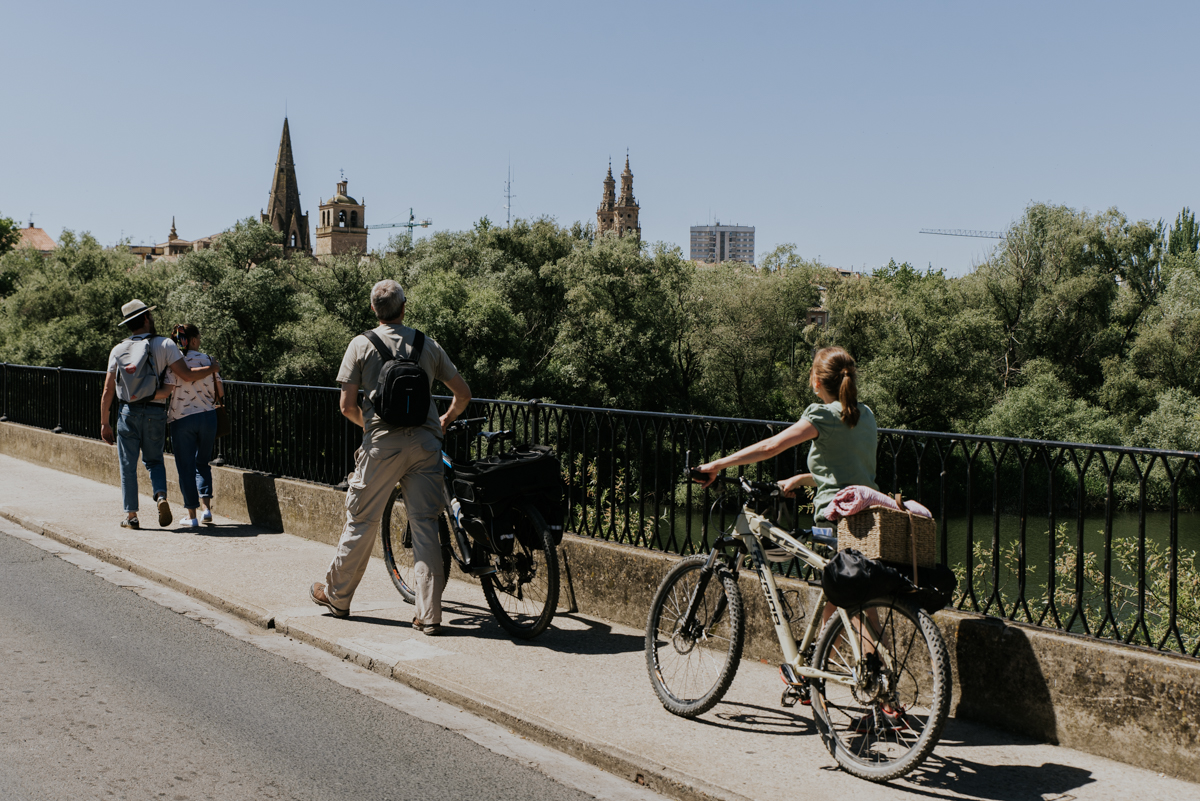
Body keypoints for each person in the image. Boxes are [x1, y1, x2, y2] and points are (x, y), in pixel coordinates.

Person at [309, 280, 472, 635]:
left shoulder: (360, 345)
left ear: (374, 310)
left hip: (382, 446)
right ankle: (429, 616)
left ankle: (337, 597)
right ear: (404, 307)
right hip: (427, 445)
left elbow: (346, 405)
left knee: (362, 520)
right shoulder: (426, 344)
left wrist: (371, 427)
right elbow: (463, 394)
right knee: (426, 525)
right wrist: (442, 421)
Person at [695, 346, 877, 527]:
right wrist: (798, 480)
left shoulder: (823, 415)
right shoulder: (866, 413)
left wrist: (715, 465)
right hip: (869, 514)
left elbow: (771, 447)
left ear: (817, 381)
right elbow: (849, 475)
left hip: (835, 517)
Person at [100, 300, 220, 529]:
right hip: (155, 412)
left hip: (127, 412)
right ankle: (161, 496)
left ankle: (132, 516)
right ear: (146, 318)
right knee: (154, 460)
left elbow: (107, 390)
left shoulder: (117, 349)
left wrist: (104, 422)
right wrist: (213, 369)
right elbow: (185, 375)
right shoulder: (165, 344)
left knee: (127, 465)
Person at [163, 324, 222, 527]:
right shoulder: (208, 360)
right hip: (208, 417)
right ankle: (206, 509)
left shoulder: (174, 362)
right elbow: (220, 392)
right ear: (194, 340)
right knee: (202, 463)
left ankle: (192, 516)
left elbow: (168, 389)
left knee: (185, 467)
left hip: (182, 419)